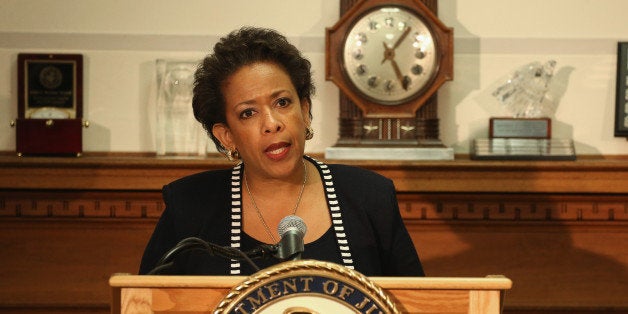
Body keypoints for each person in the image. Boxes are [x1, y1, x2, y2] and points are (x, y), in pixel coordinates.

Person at [139, 26, 424, 277]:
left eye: (283, 103)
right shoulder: (190, 207)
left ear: (305, 111)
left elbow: (417, 304)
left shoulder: (369, 197)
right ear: (227, 136)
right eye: (248, 113)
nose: (272, 124)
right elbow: (144, 303)